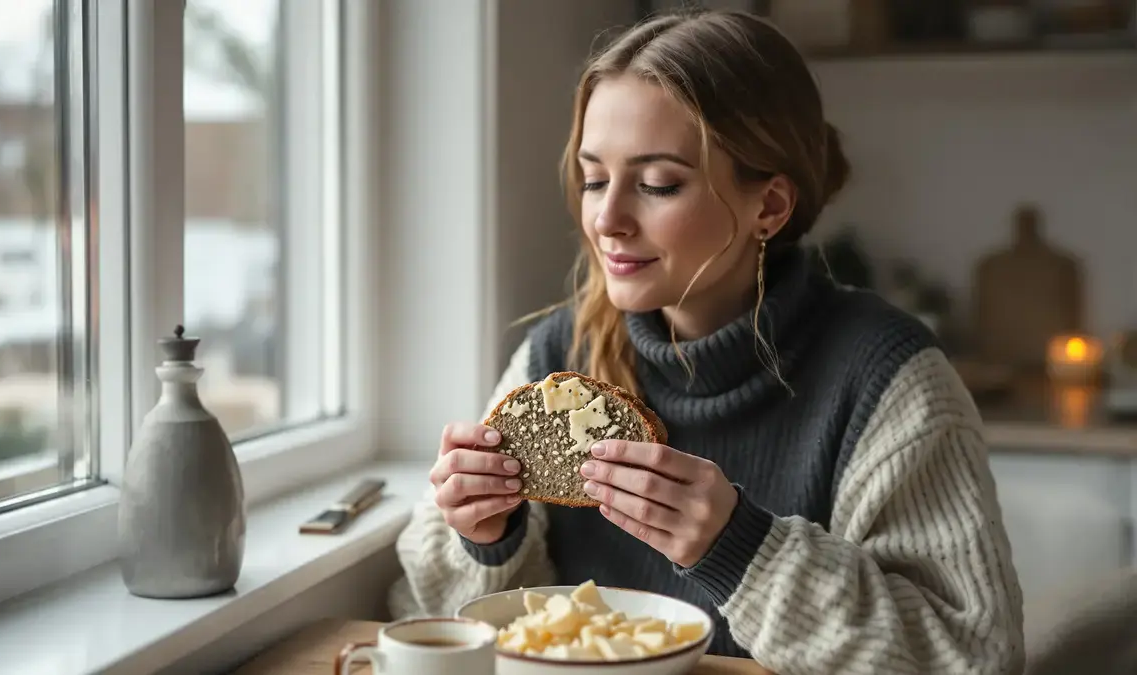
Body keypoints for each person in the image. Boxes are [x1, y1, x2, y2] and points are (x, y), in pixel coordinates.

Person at [387, 8, 1025, 673]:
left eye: (659, 183)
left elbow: (974, 656)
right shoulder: (556, 358)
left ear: (770, 207)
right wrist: (488, 539)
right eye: (594, 178)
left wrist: (742, 548)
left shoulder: (888, 379)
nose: (607, 219)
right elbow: (429, 623)